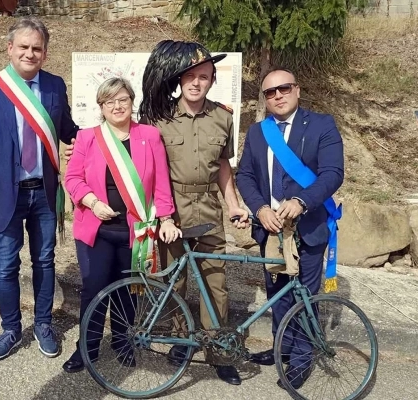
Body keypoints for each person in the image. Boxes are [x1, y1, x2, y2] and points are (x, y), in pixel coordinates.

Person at [0, 16, 79, 362]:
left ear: (45, 53)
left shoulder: (55, 86)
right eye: (24, 47)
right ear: (10, 48)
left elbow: (68, 129)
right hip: (3, 196)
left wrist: (111, 136)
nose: (30, 53)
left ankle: (43, 323)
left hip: (44, 192)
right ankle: (11, 328)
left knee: (45, 260)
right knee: (4, 265)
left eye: (37, 48)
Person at [138, 41, 249, 386]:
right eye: (191, 76)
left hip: (209, 209)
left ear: (212, 81)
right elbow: (146, 170)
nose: (197, 83)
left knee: (215, 283)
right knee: (176, 281)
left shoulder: (222, 118)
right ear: (179, 79)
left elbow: (223, 167)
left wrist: (233, 204)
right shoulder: (158, 119)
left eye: (204, 77)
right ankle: (182, 341)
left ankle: (218, 352)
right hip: (173, 210)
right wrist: (159, 214)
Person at [61, 77, 182, 373]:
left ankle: (122, 341)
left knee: (129, 290)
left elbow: (162, 183)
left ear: (132, 102)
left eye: (123, 100)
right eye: (110, 101)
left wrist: (165, 217)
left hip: (137, 230)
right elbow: (73, 179)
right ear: (101, 107)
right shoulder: (89, 137)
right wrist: (91, 202)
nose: (117, 106)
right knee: (94, 288)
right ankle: (86, 346)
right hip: (96, 229)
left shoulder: (150, 135)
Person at [236, 67, 344, 390]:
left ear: (297, 90)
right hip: (270, 229)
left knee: (304, 297)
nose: (278, 96)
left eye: (283, 89)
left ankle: (300, 359)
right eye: (270, 92)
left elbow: (332, 173)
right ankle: (281, 347)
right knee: (277, 293)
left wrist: (301, 201)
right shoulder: (258, 132)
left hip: (307, 228)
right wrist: (260, 208)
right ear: (265, 99)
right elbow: (244, 176)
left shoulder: (322, 125)